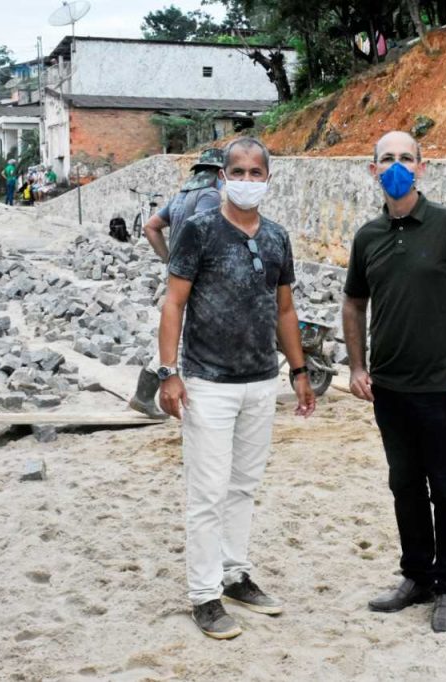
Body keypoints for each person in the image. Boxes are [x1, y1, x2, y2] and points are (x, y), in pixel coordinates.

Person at [157, 136, 316, 640]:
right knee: (207, 492)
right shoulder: (199, 230)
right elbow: (174, 303)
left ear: (268, 178)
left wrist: (298, 370)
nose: (248, 180)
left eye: (256, 172)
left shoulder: (276, 237)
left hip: (260, 382)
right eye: (238, 172)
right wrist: (169, 372)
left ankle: (234, 574)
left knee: (244, 486)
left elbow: (284, 308)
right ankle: (204, 594)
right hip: (208, 383)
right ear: (222, 177)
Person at [342, 130, 446, 633]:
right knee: (404, 485)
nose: (396, 166)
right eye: (386, 158)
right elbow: (353, 303)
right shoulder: (367, 236)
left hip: (441, 388)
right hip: (388, 389)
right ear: (373, 170)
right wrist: (357, 366)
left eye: (406, 158)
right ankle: (416, 578)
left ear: (422, 167)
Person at [128, 148, 225, 419]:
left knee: (175, 332)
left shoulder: (181, 196)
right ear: (220, 173)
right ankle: (145, 394)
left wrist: (169, 259)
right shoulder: (210, 195)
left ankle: (144, 395)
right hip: (198, 277)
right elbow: (205, 229)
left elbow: (151, 227)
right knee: (184, 337)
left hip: (180, 273)